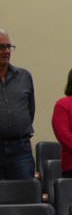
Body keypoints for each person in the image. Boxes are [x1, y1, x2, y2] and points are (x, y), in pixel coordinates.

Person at [0, 29, 36, 180]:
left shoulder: (24, 76)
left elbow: (30, 110)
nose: (7, 51)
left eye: (9, 46)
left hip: (20, 149)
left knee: (24, 191)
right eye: (1, 47)